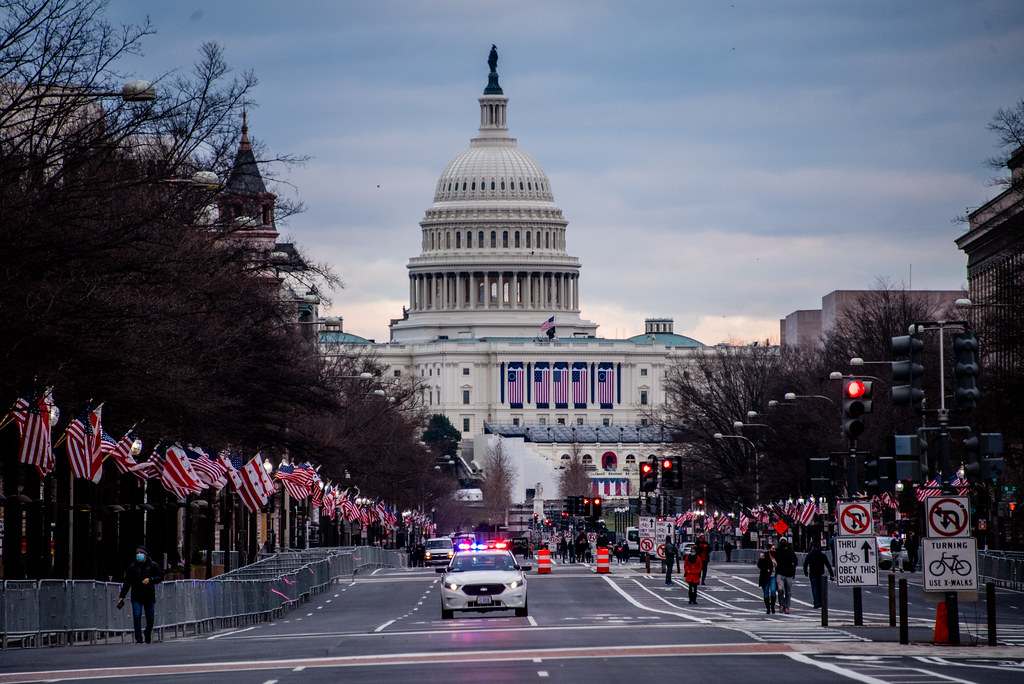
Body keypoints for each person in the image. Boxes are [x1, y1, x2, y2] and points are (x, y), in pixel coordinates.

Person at [117, 545, 163, 644]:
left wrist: (150, 579)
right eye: (137, 553)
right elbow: (127, 582)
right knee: (137, 616)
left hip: (149, 595)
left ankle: (147, 633)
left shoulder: (152, 565)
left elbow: (160, 577)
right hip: (136, 595)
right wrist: (122, 596)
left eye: (141, 553)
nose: (139, 555)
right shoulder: (132, 567)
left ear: (145, 555)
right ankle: (138, 638)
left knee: (150, 617)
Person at [803, 542, 835, 609]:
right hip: (820, 575)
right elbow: (828, 565)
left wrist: (805, 572)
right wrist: (831, 574)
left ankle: (816, 602)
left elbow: (805, 564)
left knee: (814, 589)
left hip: (813, 574)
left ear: (813, 547)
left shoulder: (810, 555)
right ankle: (820, 602)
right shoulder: (822, 555)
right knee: (820, 589)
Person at [774, 539, 798, 614]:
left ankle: (787, 607)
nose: (783, 543)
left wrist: (792, 568)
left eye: (784, 541)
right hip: (780, 574)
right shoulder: (777, 552)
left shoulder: (791, 552)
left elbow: (795, 562)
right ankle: (781, 605)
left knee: (788, 592)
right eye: (782, 541)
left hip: (789, 574)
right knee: (780, 589)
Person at [757, 546, 777, 614]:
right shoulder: (765, 556)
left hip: (773, 576)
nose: (774, 550)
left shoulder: (776, 556)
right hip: (765, 577)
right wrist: (761, 559)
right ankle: (768, 608)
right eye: (772, 549)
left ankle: (772, 606)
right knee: (766, 593)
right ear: (769, 549)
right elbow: (759, 565)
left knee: (773, 591)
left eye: (775, 549)